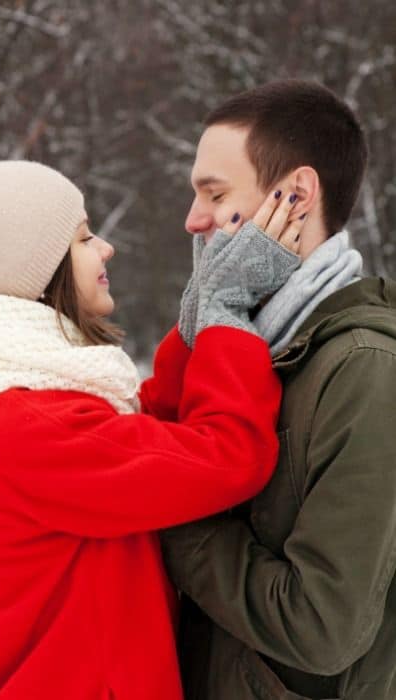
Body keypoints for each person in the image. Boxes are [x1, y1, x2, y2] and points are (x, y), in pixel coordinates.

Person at [0, 160, 301, 699]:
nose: (106, 248)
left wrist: (198, 322)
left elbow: (137, 440)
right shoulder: (29, 427)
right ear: (34, 272)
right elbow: (227, 458)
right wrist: (227, 314)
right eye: (82, 238)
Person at [161, 79, 396, 700]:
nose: (193, 220)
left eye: (214, 194)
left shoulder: (365, 369)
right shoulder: (248, 348)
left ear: (295, 196)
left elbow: (322, 628)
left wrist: (170, 518)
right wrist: (207, 321)